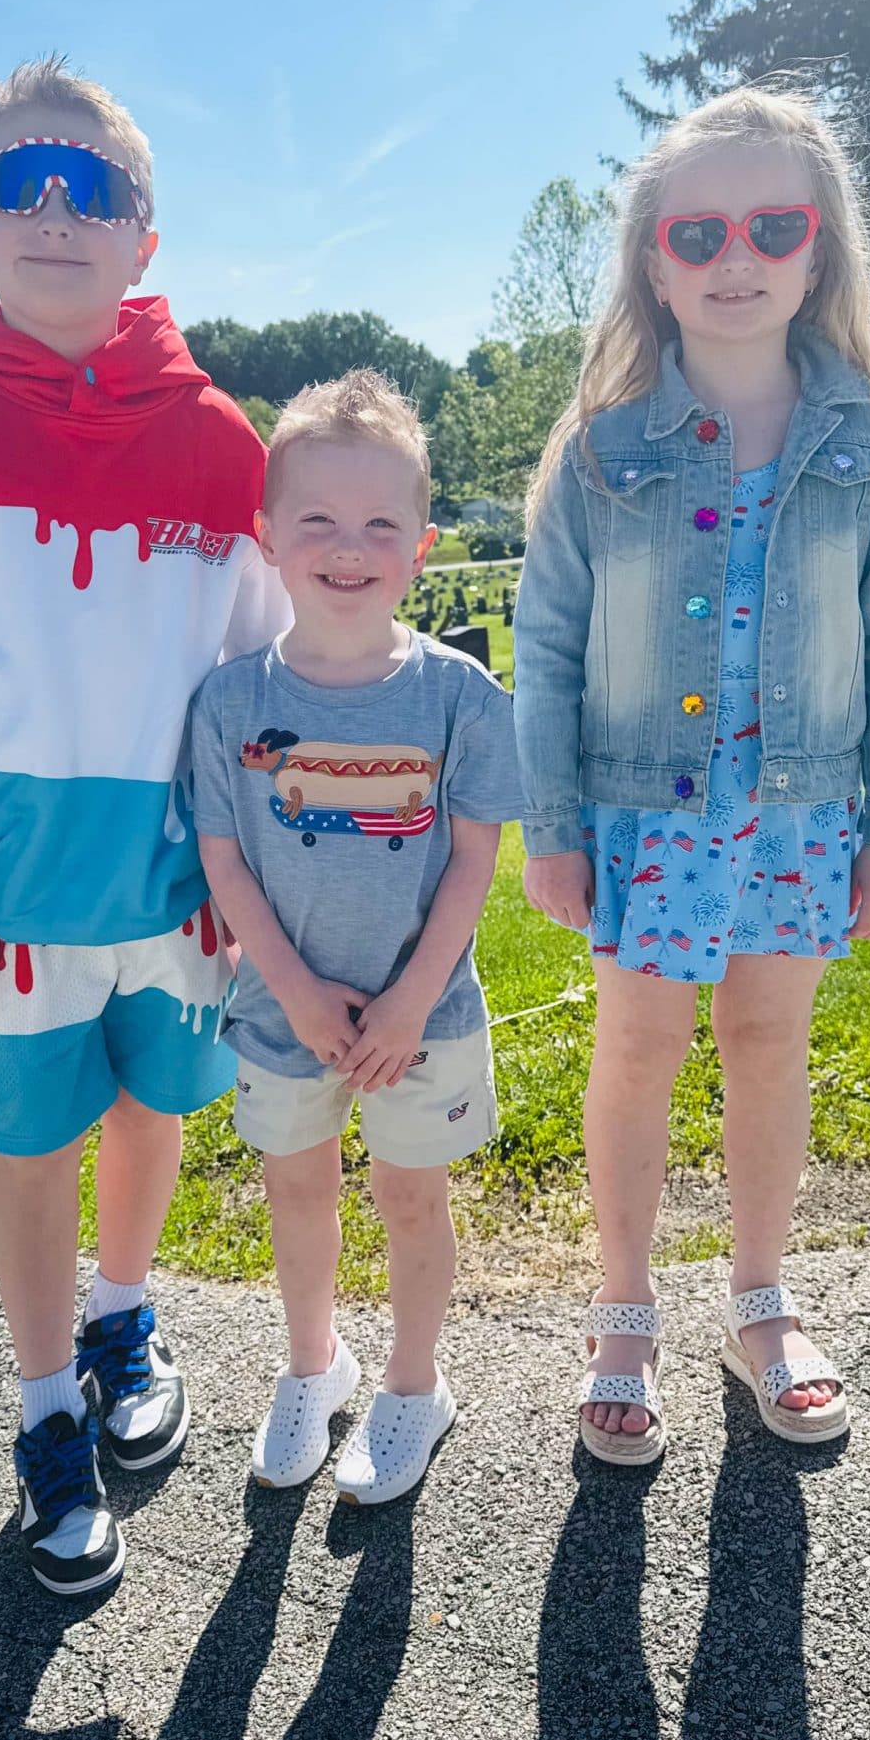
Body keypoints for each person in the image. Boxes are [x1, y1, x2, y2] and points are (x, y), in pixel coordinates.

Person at [0, 56, 287, 1591]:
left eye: (88, 187)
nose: (52, 211)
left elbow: (260, 679)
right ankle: (46, 1413)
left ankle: (122, 1321)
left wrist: (253, 869)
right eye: (15, 183)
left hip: (180, 896)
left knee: (154, 1109)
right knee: (33, 1148)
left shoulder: (224, 444)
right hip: (7, 904)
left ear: (142, 237)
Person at [513, 84, 870, 1461]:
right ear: (655, 265)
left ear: (820, 253)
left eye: (772, 226)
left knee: (768, 1043)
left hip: (801, 816)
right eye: (696, 234)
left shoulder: (869, 445)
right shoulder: (600, 452)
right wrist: (551, 827)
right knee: (637, 1046)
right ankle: (624, 1309)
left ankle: (759, 1300)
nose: (734, 258)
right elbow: (547, 649)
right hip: (644, 816)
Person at [190, 371, 522, 1505]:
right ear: (267, 537)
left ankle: (413, 1385)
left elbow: (472, 862)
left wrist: (411, 1000)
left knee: (412, 1199)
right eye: (319, 519)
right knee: (297, 1193)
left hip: (424, 1013)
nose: (348, 546)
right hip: (281, 1013)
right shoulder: (229, 705)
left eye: (381, 523)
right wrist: (294, 988)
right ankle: (312, 1365)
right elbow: (225, 860)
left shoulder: (461, 697)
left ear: (420, 548)